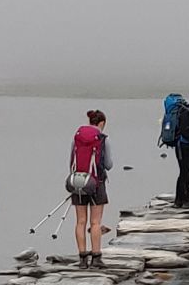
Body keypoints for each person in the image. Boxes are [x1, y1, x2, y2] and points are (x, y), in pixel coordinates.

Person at [70, 110, 114, 268]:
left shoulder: (77, 137)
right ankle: (96, 257)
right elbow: (108, 164)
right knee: (95, 222)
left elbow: (71, 161)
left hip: (79, 182)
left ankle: (82, 259)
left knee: (80, 221)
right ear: (102, 123)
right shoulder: (103, 139)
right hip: (96, 182)